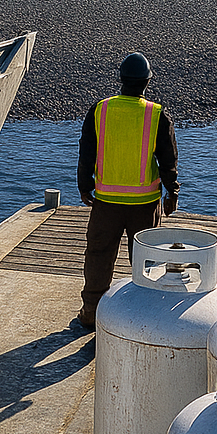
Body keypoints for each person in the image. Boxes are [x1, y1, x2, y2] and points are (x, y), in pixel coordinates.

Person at [76, 51, 179, 329]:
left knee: (99, 256)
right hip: (144, 204)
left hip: (106, 202)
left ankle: (91, 313)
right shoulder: (155, 114)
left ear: (121, 80)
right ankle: (141, 316)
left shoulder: (101, 109)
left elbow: (87, 151)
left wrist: (84, 185)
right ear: (147, 82)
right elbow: (168, 159)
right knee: (145, 261)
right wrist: (172, 192)